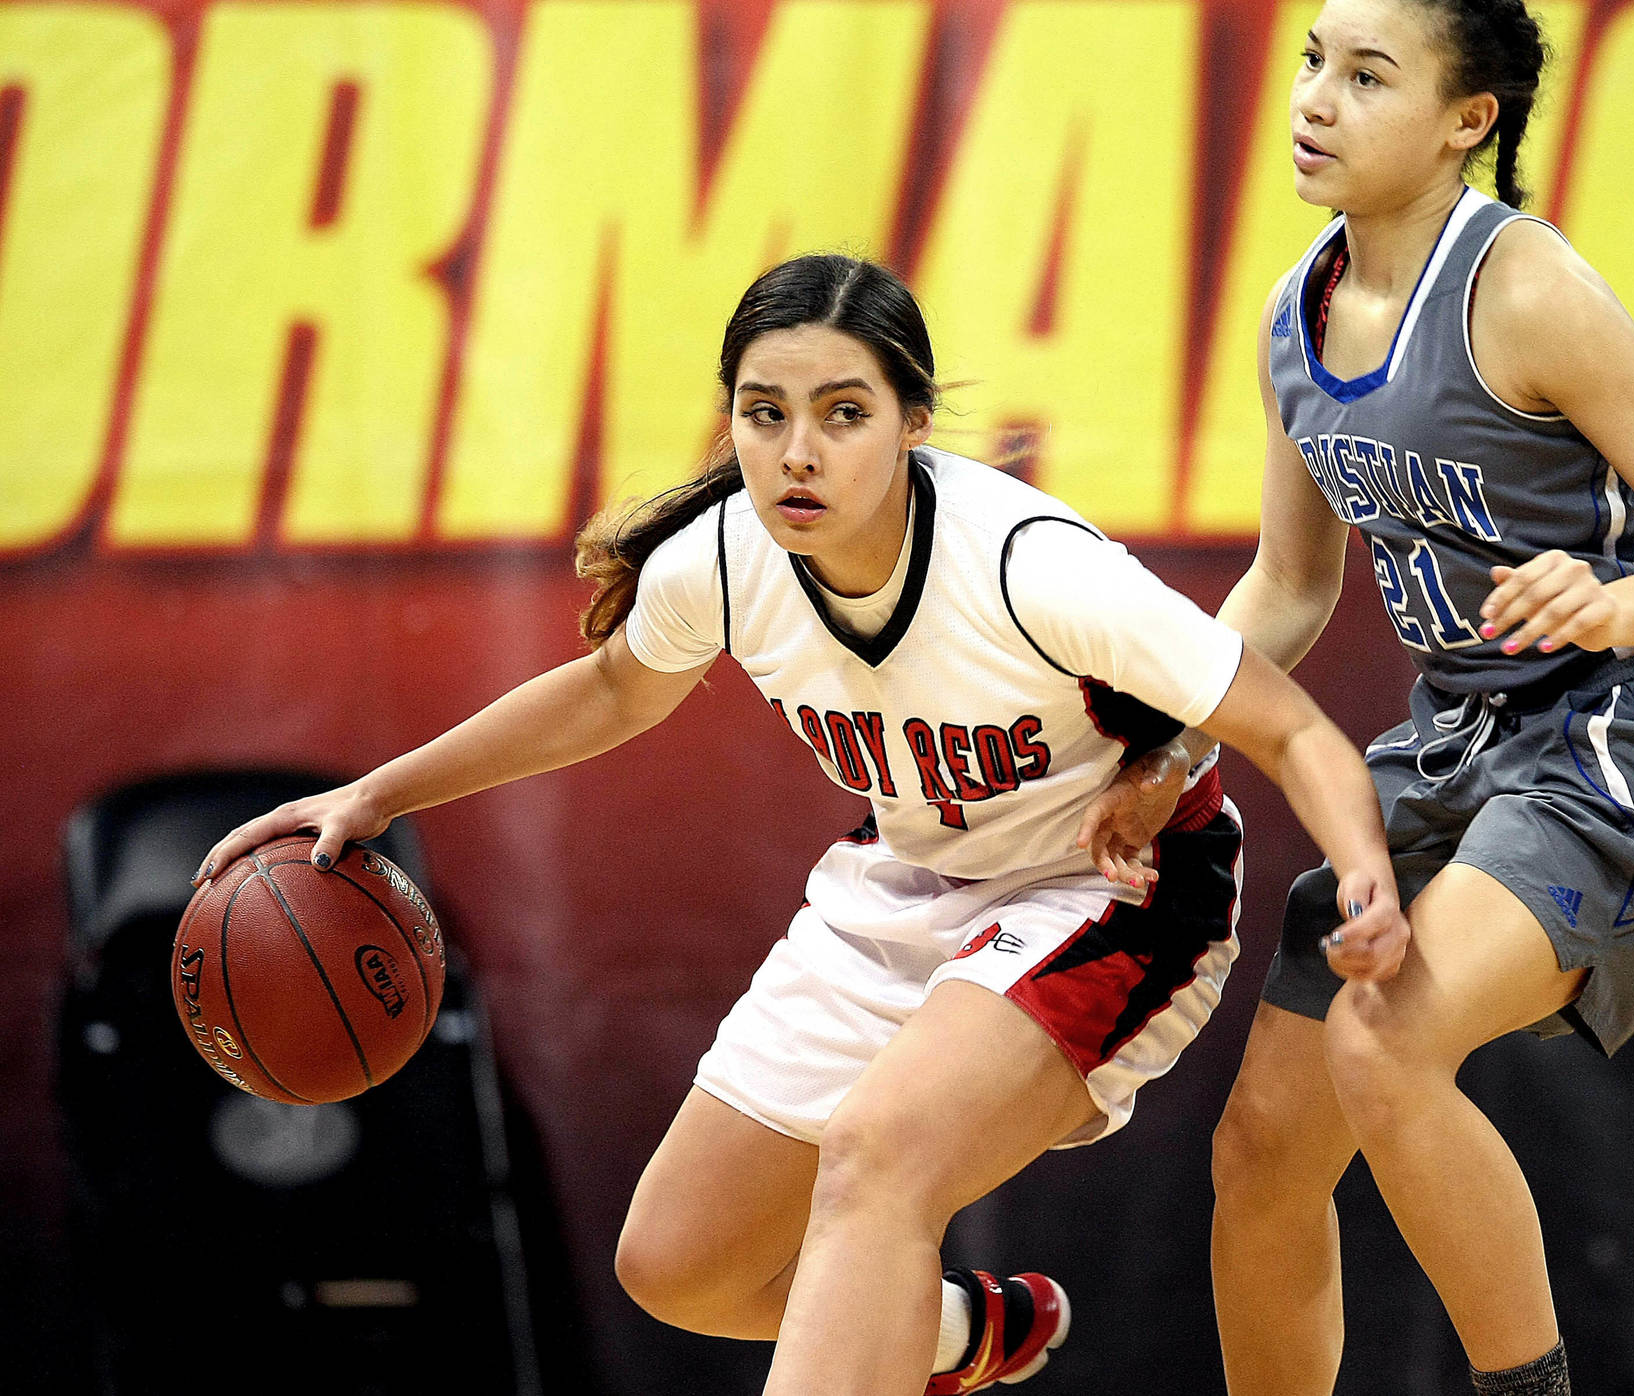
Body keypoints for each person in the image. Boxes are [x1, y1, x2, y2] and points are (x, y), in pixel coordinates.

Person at [193, 254, 1410, 1396]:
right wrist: (379, 793)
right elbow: (613, 691)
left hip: (1108, 891)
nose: (796, 452)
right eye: (763, 413)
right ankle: (958, 1334)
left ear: (912, 422)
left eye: (842, 413)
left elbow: (1291, 726)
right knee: (681, 1263)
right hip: (916, 872)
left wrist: (1362, 876)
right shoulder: (726, 558)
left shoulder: (1025, 564)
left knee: (877, 1159)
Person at [1088, 1, 1634, 1392]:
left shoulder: (1523, 289)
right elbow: (1291, 585)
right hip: (1464, 731)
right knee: (1262, 1148)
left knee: (1385, 1040)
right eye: (1312, 61)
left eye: (1366, 76)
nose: (1315, 99)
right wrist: (1168, 739)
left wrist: (1614, 601)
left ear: (1469, 121)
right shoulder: (1293, 310)